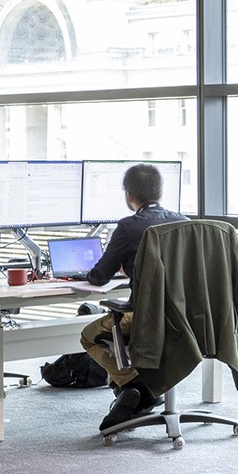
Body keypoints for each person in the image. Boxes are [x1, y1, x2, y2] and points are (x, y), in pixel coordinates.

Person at [79, 163, 187, 430]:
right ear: (160, 192)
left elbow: (100, 276)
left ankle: (134, 384)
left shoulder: (128, 227)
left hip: (144, 319)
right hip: (184, 320)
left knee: (87, 335)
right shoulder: (185, 223)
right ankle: (138, 391)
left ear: (128, 195)